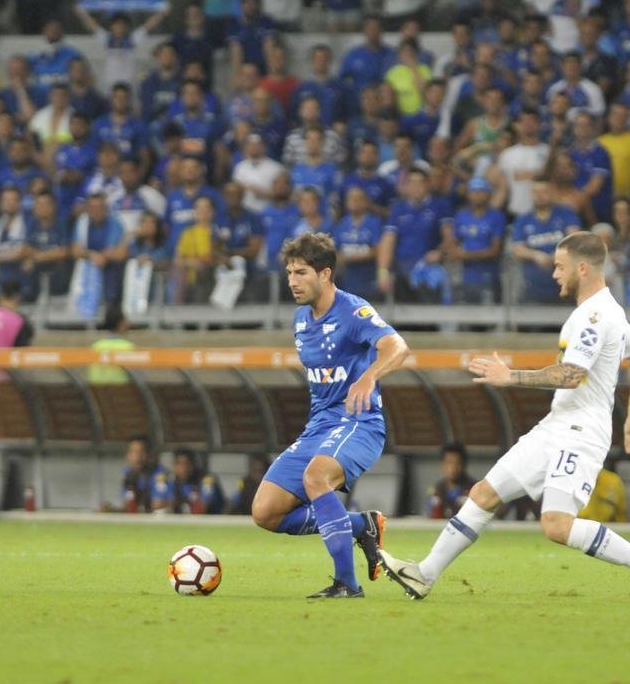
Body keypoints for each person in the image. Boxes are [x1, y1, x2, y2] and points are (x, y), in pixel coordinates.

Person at [377, 231, 630, 604]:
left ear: (582, 268)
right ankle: (424, 574)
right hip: (557, 424)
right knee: (484, 494)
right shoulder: (608, 310)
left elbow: (572, 375)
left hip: (581, 431)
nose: (553, 273)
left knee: (556, 526)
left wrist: (511, 376)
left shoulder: (594, 316)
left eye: (559, 266)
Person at [250, 232, 410, 598]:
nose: (292, 281)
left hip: (360, 423)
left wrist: (369, 376)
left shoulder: (354, 311)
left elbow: (398, 347)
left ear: (325, 274)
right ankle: (359, 525)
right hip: (318, 428)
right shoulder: (300, 319)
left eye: (301, 272)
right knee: (265, 513)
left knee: (316, 477)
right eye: (289, 273)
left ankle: (346, 585)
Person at [120, 435, 169, 514]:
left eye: (141, 452)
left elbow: (158, 505)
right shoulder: (127, 472)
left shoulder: (160, 474)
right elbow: (128, 503)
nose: (137, 457)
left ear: (150, 454)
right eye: (133, 452)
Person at [426, 442, 475, 519]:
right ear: (442, 465)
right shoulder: (437, 489)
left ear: (464, 465)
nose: (453, 468)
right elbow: (432, 516)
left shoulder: (473, 489)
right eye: (449, 462)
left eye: (457, 463)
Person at [170, 449, 226, 515]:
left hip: (213, 521)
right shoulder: (173, 481)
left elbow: (202, 509)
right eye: (179, 464)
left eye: (186, 464)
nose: (183, 468)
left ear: (193, 465)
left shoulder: (206, 480)